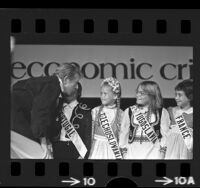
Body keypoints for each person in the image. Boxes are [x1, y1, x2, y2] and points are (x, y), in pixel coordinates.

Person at [11, 63, 82, 159]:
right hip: (13, 118)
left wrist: (46, 142)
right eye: (75, 82)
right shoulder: (53, 85)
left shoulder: (47, 83)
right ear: (66, 80)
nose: (76, 87)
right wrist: (44, 146)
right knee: (41, 156)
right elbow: (39, 116)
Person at [119, 81, 170, 159]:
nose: (137, 95)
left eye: (142, 93)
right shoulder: (129, 111)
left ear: (152, 95)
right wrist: (125, 154)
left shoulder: (162, 112)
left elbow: (165, 136)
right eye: (137, 92)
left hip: (154, 151)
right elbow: (123, 133)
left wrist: (161, 155)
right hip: (133, 152)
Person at [51, 82, 92, 159]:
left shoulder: (85, 111)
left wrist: (84, 155)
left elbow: (88, 136)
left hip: (76, 150)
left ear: (78, 92)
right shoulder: (56, 108)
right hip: (57, 148)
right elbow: (49, 130)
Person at [89, 77, 124, 159]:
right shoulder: (95, 111)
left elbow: (122, 138)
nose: (102, 96)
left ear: (115, 95)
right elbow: (90, 134)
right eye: (101, 93)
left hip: (112, 151)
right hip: (96, 149)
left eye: (105, 94)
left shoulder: (121, 114)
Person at [165, 79, 193, 159]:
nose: (176, 97)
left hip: (186, 153)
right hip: (170, 152)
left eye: (180, 95)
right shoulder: (170, 111)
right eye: (175, 94)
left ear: (190, 97)